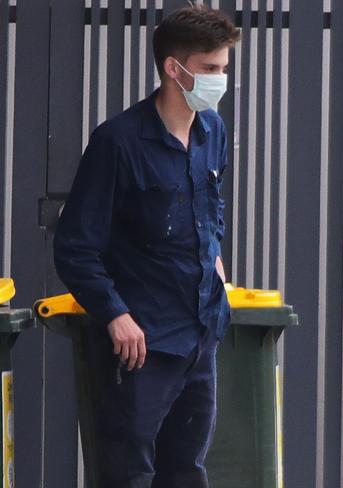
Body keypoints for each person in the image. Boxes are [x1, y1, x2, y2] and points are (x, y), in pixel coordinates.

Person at [53, 6, 240, 487]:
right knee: (131, 474)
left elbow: (209, 205)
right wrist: (116, 315)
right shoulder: (118, 142)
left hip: (199, 334)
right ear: (173, 69)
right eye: (210, 69)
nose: (221, 79)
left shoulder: (211, 130)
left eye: (224, 68)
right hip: (141, 346)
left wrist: (214, 255)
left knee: (187, 470)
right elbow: (76, 246)